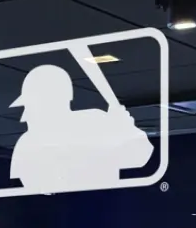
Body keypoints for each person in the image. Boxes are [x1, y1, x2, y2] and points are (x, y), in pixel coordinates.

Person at [10, 64, 153, 194]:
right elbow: (34, 184)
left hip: (102, 203)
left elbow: (141, 156)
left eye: (35, 105)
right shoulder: (26, 143)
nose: (29, 115)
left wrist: (126, 129)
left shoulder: (95, 120)